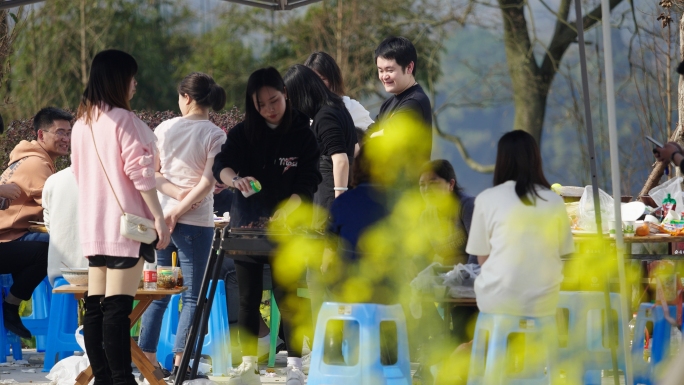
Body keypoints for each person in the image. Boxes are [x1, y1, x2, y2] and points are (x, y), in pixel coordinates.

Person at [212, 67, 322, 385]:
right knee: (248, 297)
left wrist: (288, 211)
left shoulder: (303, 133)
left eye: (274, 100)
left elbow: (308, 181)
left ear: (285, 93)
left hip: (289, 226)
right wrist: (235, 180)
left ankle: (296, 364)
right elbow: (222, 164)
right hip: (248, 224)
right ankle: (248, 364)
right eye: (261, 104)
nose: (269, 109)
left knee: (288, 296)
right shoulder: (244, 133)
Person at [70, 49, 171, 385]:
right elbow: (141, 176)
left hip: (93, 226)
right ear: (118, 80)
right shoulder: (126, 122)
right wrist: (158, 217)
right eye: (132, 77)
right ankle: (121, 379)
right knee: (117, 310)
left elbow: (80, 175)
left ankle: (103, 378)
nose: (135, 84)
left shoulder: (82, 124)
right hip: (126, 228)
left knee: (97, 308)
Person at [137, 72, 227, 378]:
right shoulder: (215, 134)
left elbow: (153, 174)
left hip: (162, 224)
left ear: (186, 97)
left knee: (159, 292)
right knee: (191, 296)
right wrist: (182, 207)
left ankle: (148, 361)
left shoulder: (164, 128)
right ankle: (181, 364)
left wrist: (171, 207)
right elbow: (207, 183)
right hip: (195, 225)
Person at [465, 130, 573, 318]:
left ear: (501, 161)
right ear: (536, 160)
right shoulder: (554, 201)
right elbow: (564, 253)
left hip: (496, 302)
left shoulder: (485, 199)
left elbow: (482, 260)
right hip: (543, 304)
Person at [0, 106, 72, 339]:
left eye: (69, 133)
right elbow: (59, 208)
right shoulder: (37, 164)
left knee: (47, 245)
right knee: (51, 249)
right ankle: (10, 306)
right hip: (5, 239)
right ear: (41, 135)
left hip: (12, 235)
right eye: (60, 132)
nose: (66, 139)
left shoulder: (34, 159)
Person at [370, 36, 432, 163]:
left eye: (390, 70)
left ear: (409, 67)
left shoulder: (415, 102)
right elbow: (368, 135)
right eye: (380, 70)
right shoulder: (387, 104)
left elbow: (381, 138)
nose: (384, 76)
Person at [418, 160, 475, 267]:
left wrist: (465, 278)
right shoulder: (426, 217)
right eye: (422, 185)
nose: (426, 189)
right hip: (448, 278)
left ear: (451, 184)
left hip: (474, 276)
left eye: (433, 183)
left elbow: (478, 251)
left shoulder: (467, 206)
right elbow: (423, 255)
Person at [303, 51, 374, 131]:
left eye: (322, 79)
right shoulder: (303, 116)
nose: (317, 85)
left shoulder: (352, 108)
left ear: (333, 79)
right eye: (313, 80)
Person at [42, 167, 87, 287]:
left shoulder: (53, 180)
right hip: (108, 270)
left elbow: (49, 224)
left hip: (61, 270)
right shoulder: (115, 177)